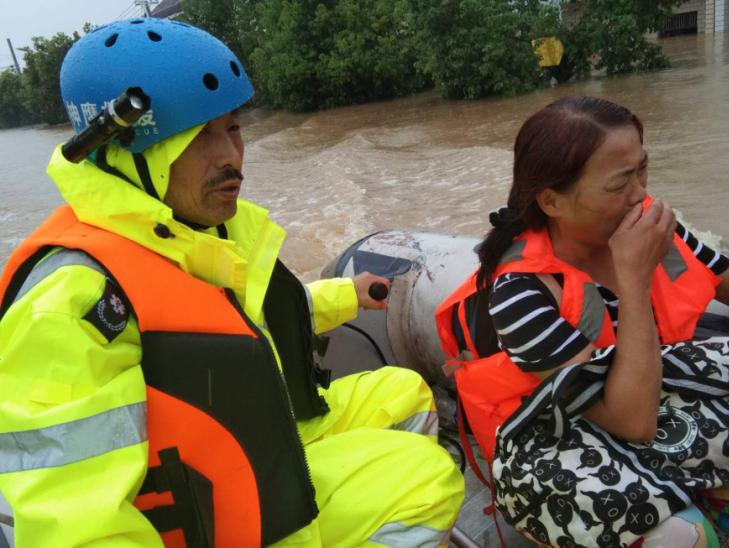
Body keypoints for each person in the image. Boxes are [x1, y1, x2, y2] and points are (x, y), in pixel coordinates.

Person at [0, 19, 464, 547]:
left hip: (245, 444)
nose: (230, 157)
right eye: (198, 135)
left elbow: (234, 326)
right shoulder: (71, 303)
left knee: (401, 392)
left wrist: (344, 295)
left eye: (233, 128)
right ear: (126, 152)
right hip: (206, 517)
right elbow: (77, 527)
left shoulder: (185, 230)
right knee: (423, 479)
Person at [436, 95, 729, 546]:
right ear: (552, 201)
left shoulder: (653, 232)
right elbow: (631, 421)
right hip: (564, 445)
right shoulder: (520, 293)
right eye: (619, 182)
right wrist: (633, 278)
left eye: (642, 169)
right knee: (685, 536)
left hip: (661, 408)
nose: (641, 194)